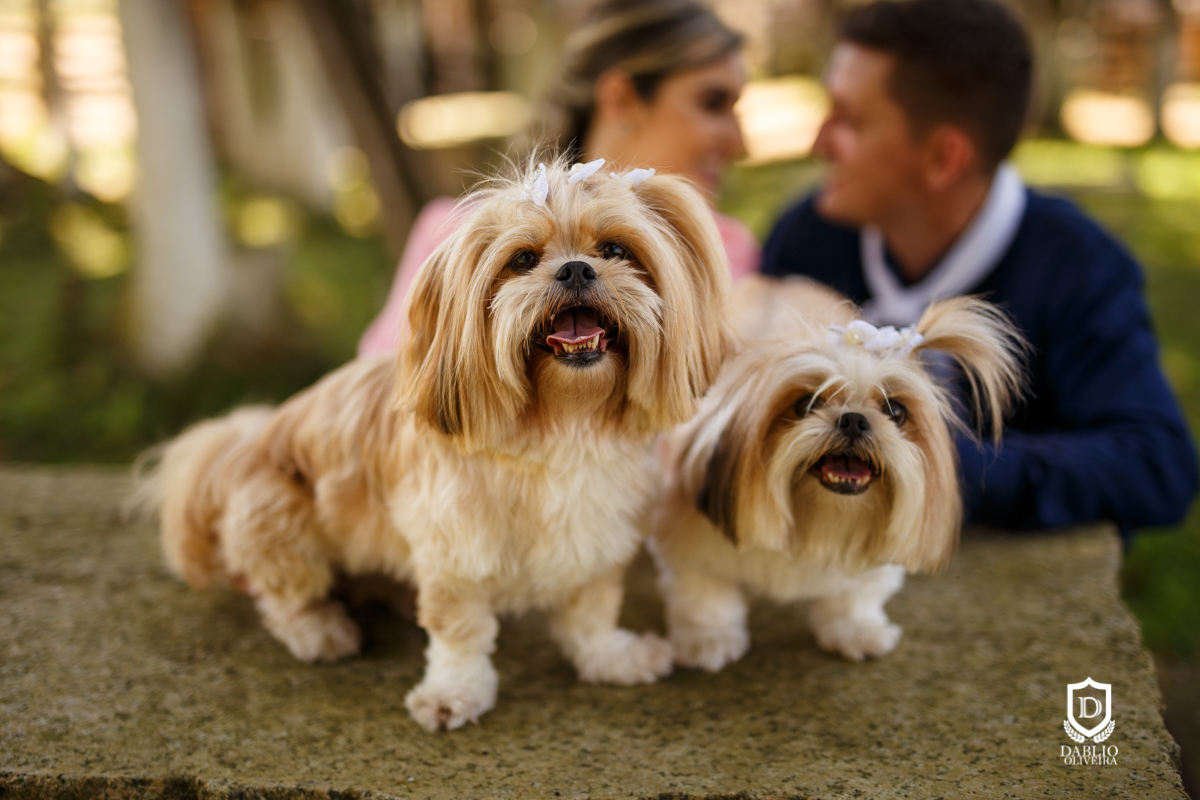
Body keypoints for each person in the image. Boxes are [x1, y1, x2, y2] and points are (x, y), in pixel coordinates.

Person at [761, 0, 1198, 538]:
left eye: (848, 120)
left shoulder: (1077, 266)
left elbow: (1156, 465)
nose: (817, 142)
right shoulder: (807, 239)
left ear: (943, 158)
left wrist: (934, 458)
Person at [359, 0, 756, 357]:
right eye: (713, 103)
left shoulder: (731, 249)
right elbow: (382, 400)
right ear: (621, 98)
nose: (740, 140)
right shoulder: (458, 235)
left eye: (617, 252)